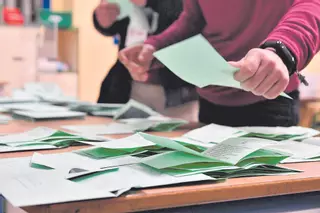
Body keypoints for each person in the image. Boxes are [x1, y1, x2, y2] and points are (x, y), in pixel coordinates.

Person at [119, 0, 320, 127]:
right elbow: (192, 20)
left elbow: (312, 5)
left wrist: (281, 50)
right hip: (211, 99)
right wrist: (154, 48)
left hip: (269, 99)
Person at [93, 0, 197, 117]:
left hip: (176, 88)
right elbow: (116, 23)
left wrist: (151, 2)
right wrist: (102, 20)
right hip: (130, 84)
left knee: (178, 132)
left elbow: (191, 19)